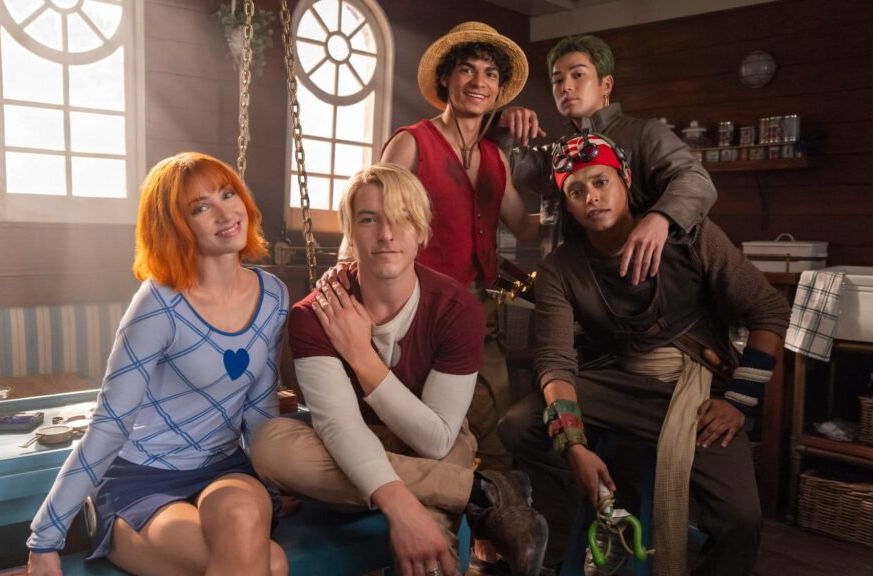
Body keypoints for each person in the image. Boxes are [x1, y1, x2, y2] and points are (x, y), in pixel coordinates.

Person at [497, 132, 790, 575]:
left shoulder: (692, 237)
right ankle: (615, 507)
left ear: (626, 180)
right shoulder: (561, 268)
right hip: (618, 383)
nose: (592, 198)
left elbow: (769, 311)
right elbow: (556, 362)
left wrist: (739, 402)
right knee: (519, 425)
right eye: (576, 191)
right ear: (567, 205)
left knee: (741, 518)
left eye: (601, 182)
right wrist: (573, 445)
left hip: (697, 388)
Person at [253, 163, 547, 576]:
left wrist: (361, 355)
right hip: (347, 449)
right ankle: (482, 492)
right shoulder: (315, 313)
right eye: (369, 219)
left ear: (422, 231)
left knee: (441, 481)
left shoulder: (458, 310)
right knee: (269, 444)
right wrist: (399, 502)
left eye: (402, 217)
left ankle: (456, 504)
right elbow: (340, 427)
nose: (387, 234)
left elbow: (435, 439)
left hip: (430, 444)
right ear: (350, 232)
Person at [26, 152, 289, 576]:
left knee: (245, 516)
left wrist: (275, 489)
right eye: (200, 208)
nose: (225, 213)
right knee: (271, 563)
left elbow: (260, 409)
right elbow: (111, 424)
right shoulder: (159, 303)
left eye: (228, 194)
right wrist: (45, 538)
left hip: (226, 471)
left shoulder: (273, 295)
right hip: (143, 478)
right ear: (174, 226)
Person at [376, 21, 540, 472]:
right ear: (446, 78)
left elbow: (525, 228)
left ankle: (494, 509)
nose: (478, 82)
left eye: (490, 74)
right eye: (467, 70)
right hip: (416, 308)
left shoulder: (497, 157)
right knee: (417, 427)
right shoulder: (411, 143)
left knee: (495, 423)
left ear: (499, 89)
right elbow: (372, 220)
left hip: (480, 308)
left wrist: (574, 193)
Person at [496, 34, 717, 285]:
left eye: (578, 75)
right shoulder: (556, 155)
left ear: (607, 84)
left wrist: (660, 218)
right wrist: (502, 124)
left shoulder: (645, 134)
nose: (566, 87)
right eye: (557, 80)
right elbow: (498, 166)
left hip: (639, 288)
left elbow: (696, 180)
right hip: (567, 288)